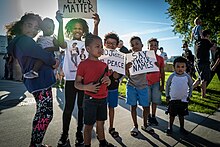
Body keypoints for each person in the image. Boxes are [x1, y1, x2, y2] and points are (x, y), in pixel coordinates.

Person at [6, 13, 59, 147]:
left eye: (36, 27)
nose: (32, 30)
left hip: (37, 82)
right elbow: (42, 54)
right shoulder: (24, 40)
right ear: (20, 25)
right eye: (29, 25)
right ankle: (36, 144)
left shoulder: (19, 41)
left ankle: (36, 143)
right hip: (40, 81)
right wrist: (53, 60)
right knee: (46, 114)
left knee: (42, 113)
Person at [55, 11, 100, 146]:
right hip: (70, 80)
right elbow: (60, 42)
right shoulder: (68, 43)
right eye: (75, 28)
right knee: (68, 108)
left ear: (84, 30)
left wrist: (96, 24)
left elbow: (95, 39)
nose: (77, 30)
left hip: (84, 81)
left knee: (82, 108)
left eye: (80, 28)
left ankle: (79, 133)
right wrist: (61, 23)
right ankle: (64, 134)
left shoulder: (87, 44)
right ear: (70, 29)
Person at [74, 33, 114, 147]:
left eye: (101, 46)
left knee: (101, 123)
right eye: (97, 46)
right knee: (88, 125)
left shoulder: (104, 65)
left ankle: (102, 142)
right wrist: (87, 87)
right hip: (89, 100)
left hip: (103, 99)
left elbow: (108, 80)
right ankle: (87, 144)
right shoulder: (83, 65)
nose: (101, 49)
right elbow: (77, 84)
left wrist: (108, 80)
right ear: (88, 49)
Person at [125, 36, 154, 137]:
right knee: (133, 106)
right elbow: (127, 75)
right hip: (131, 86)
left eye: (137, 44)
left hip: (143, 86)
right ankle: (135, 126)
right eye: (132, 45)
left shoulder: (147, 57)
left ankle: (145, 125)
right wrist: (126, 68)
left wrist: (152, 64)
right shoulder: (128, 58)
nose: (135, 46)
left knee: (146, 106)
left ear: (142, 45)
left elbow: (151, 70)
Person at [165, 56, 193, 135]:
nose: (180, 69)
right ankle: (169, 127)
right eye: (178, 66)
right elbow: (167, 86)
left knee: (181, 115)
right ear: (174, 67)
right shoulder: (172, 76)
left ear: (185, 67)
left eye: (182, 67)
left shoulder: (187, 76)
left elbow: (191, 85)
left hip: (183, 100)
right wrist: (167, 95)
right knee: (172, 115)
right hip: (173, 100)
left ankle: (182, 128)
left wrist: (189, 95)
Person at [104, 32, 123, 138]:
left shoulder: (120, 57)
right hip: (101, 89)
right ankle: (100, 128)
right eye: (109, 43)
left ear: (116, 45)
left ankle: (111, 127)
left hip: (113, 88)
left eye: (113, 43)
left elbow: (121, 73)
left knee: (111, 108)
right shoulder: (100, 55)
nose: (111, 45)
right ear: (105, 43)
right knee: (101, 110)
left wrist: (117, 76)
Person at [146, 38, 165, 126]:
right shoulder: (145, 57)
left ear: (157, 47)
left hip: (156, 82)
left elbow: (162, 72)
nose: (153, 47)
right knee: (147, 101)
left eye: (155, 45)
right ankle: (148, 116)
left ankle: (153, 116)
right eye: (151, 45)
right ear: (148, 47)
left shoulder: (160, 59)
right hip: (146, 83)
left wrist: (162, 84)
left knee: (155, 100)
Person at [193, 30, 217, 98]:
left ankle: (189, 90)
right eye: (209, 36)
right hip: (204, 63)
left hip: (198, 62)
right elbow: (213, 49)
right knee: (204, 80)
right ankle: (203, 95)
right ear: (207, 35)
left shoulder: (198, 42)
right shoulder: (206, 41)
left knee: (200, 78)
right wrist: (210, 41)